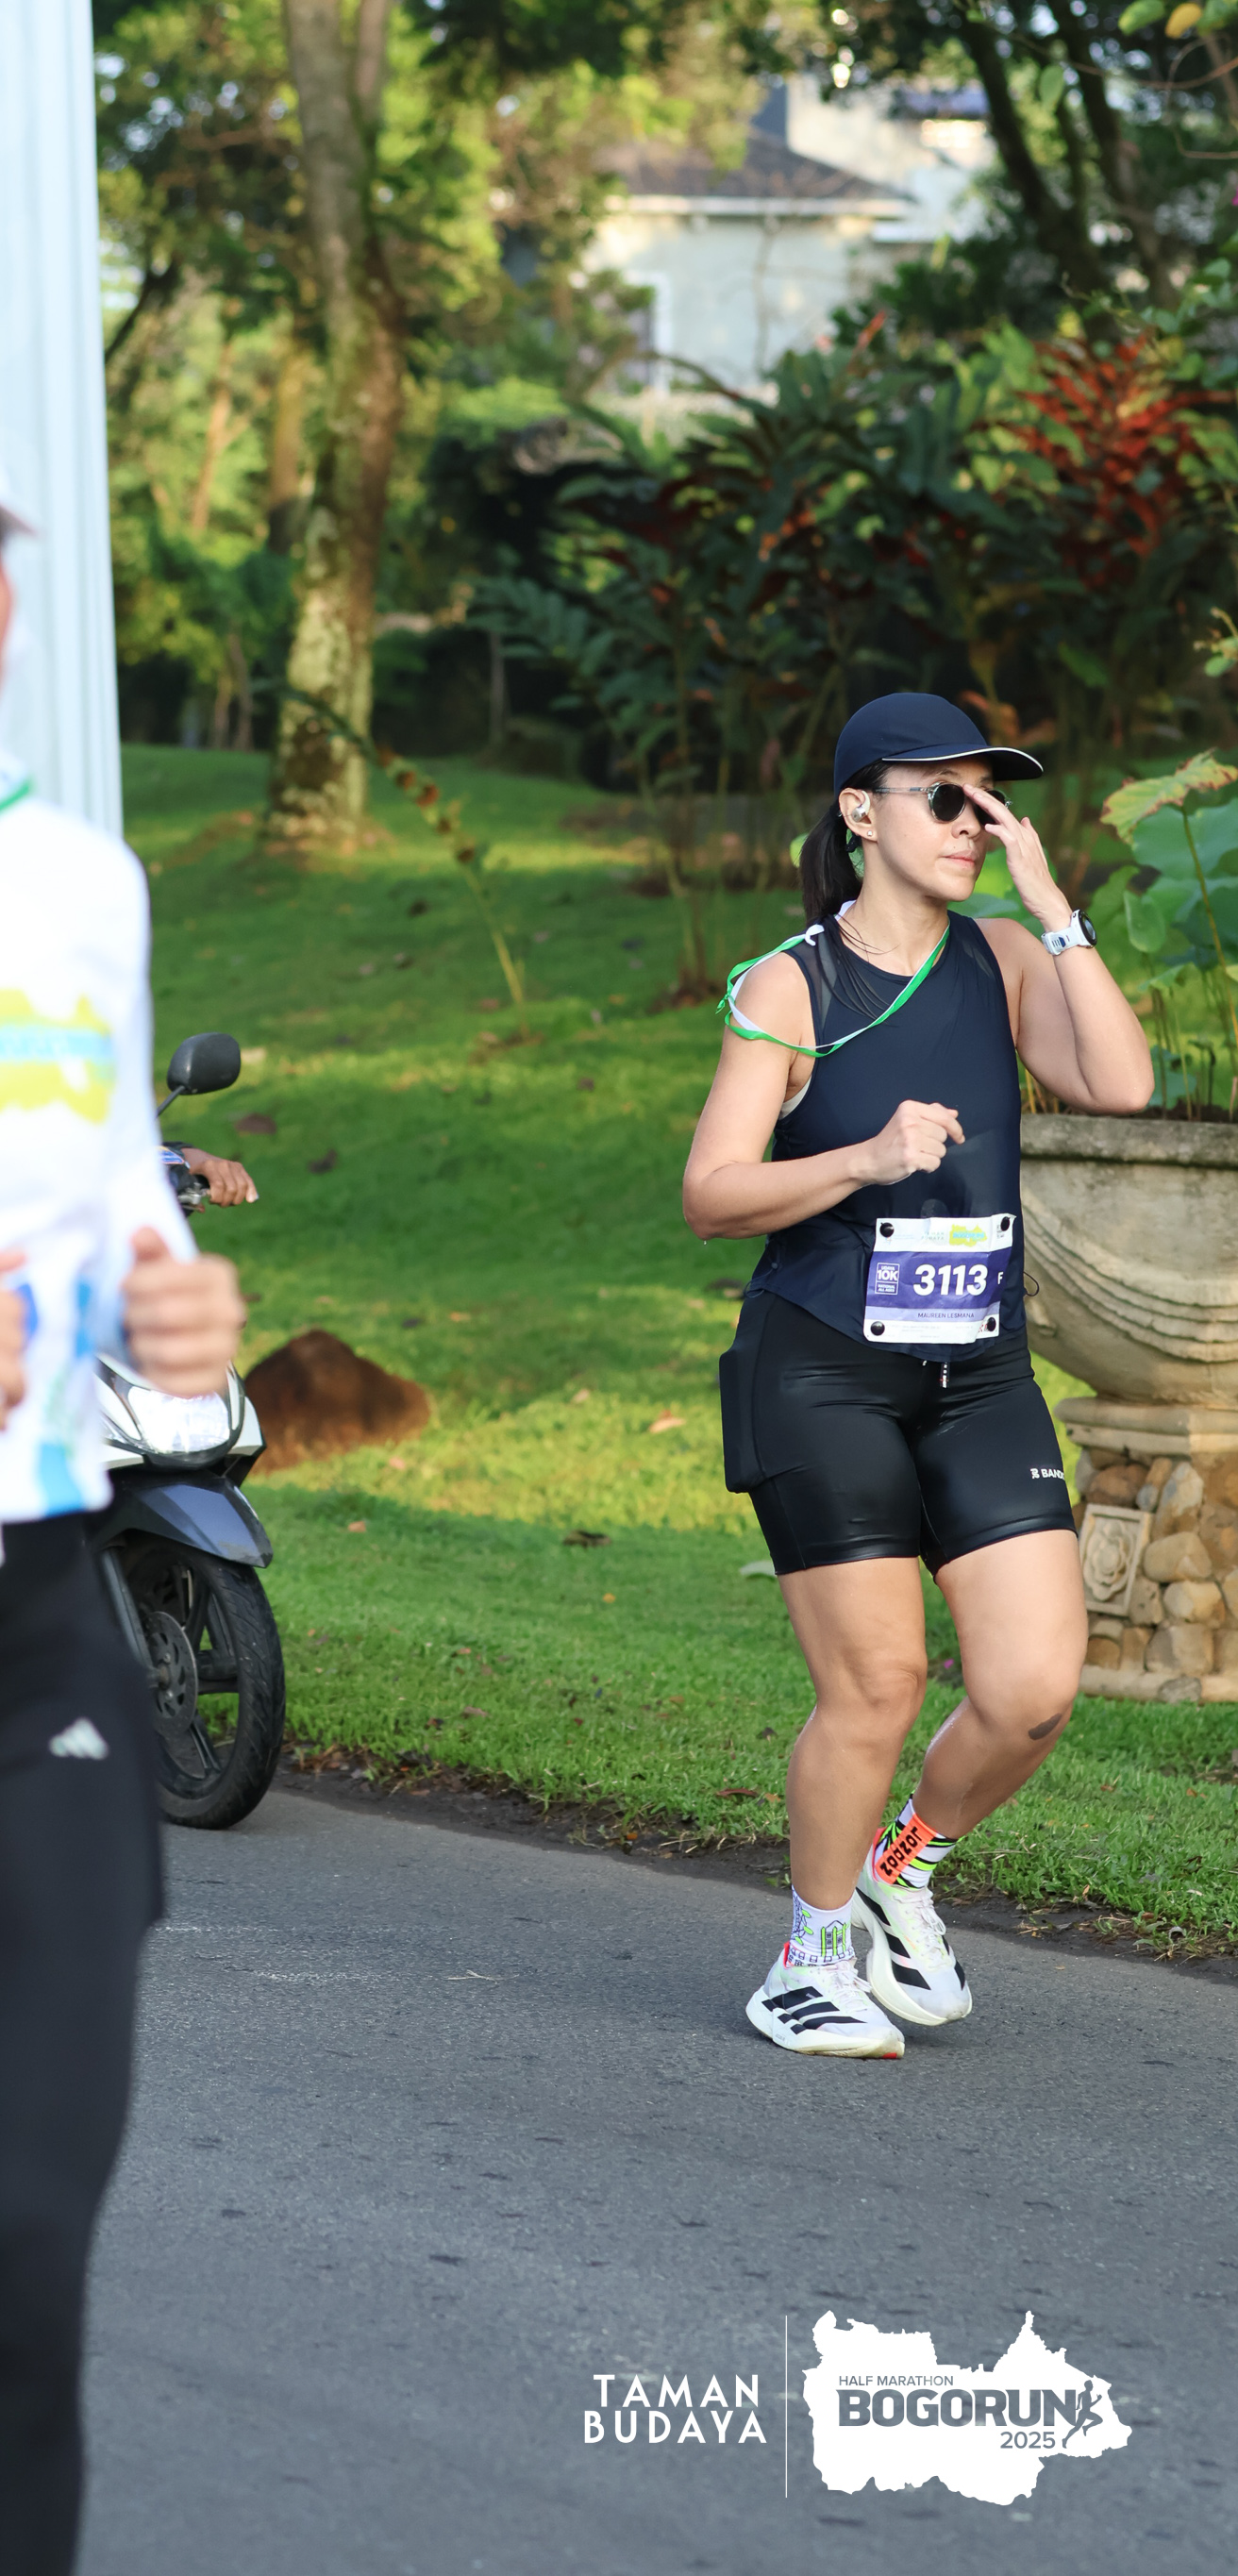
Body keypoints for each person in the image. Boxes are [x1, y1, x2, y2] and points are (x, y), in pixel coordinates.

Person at [683, 693, 1155, 2056]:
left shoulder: (1001, 958)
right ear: (860, 811)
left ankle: (901, 1869)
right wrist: (865, 1158)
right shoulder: (792, 987)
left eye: (990, 800)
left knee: (1033, 1688)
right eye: (944, 797)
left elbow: (1120, 1083)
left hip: (979, 1372)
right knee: (879, 1682)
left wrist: (1052, 907)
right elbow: (712, 1191)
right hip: (822, 1371)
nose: (973, 822)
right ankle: (807, 1956)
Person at [0, 482, 247, 2574]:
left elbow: (104, 1193)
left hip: (34, 1614)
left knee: (27, 2236)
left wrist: (167, 1298)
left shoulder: (82, 885)